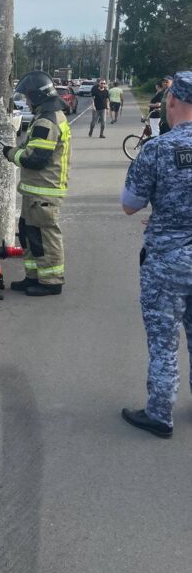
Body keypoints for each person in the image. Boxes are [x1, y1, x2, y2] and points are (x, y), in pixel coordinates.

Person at [120, 72, 192, 437]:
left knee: (164, 340)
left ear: (173, 102)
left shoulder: (158, 149)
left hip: (167, 258)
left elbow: (130, 204)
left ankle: (160, 413)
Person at [2, 71, 71, 296]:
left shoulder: (46, 121)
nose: (28, 102)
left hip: (45, 190)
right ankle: (34, 276)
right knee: (30, 234)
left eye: (29, 98)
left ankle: (51, 281)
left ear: (37, 97)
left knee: (44, 236)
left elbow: (36, 159)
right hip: (37, 191)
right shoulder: (50, 116)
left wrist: (11, 153)